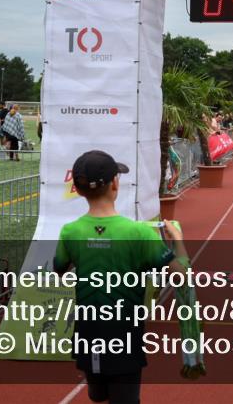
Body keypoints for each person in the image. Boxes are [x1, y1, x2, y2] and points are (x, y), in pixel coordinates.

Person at [54, 150, 189, 404]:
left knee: (97, 395)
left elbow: (60, 270)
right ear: (115, 183)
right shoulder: (138, 233)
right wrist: (178, 241)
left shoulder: (69, 231)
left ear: (78, 189)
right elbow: (180, 276)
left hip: (88, 332)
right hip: (124, 335)